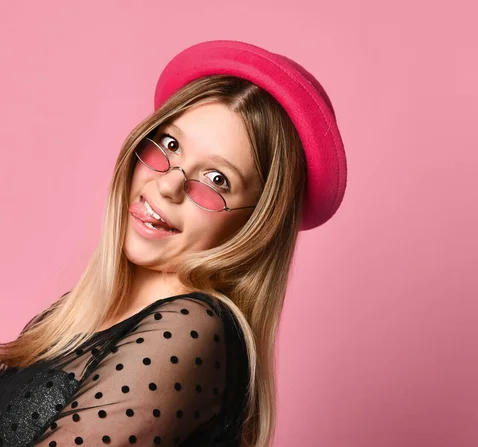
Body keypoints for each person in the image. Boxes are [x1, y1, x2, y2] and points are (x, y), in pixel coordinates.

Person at [0, 39, 347, 447]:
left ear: (256, 224)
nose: (167, 185)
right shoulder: (67, 319)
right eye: (169, 144)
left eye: (217, 180)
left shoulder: (190, 329)